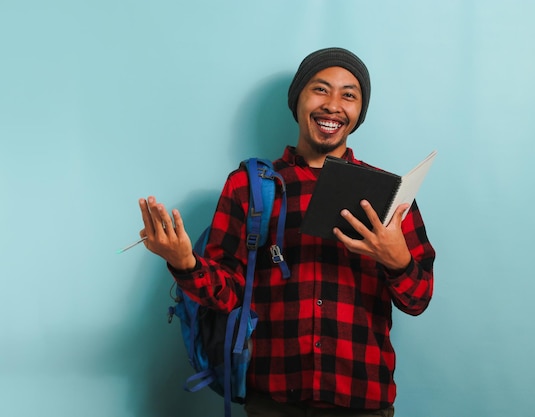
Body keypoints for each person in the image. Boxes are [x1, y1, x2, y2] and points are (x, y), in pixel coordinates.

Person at [138, 47, 435, 417]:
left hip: (363, 401)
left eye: (349, 95)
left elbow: (418, 299)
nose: (333, 105)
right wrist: (184, 263)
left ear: (359, 112)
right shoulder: (248, 186)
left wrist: (397, 261)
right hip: (273, 403)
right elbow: (228, 295)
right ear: (297, 101)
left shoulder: (390, 196)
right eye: (320, 89)